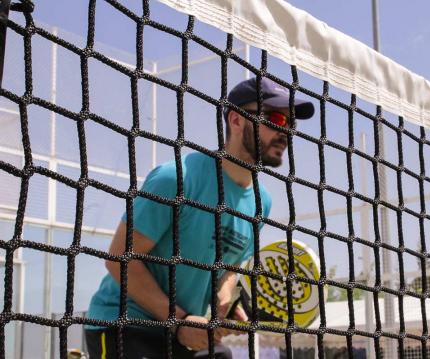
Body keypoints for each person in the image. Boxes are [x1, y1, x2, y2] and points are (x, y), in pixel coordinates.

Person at [84, 77, 314, 358]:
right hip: (124, 325)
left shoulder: (261, 203)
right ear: (236, 120)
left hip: (183, 331)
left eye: (291, 124)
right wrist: (179, 320)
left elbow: (231, 265)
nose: (285, 131)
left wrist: (226, 301)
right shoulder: (177, 178)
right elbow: (119, 260)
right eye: (276, 118)